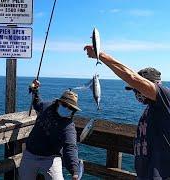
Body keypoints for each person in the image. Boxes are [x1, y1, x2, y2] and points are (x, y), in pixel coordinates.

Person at [84, 45, 170, 179]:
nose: (135, 93)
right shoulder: (149, 109)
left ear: (151, 85)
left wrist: (101, 55)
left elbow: (131, 77)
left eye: (137, 88)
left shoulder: (166, 98)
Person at [19, 79, 82, 180]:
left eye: (71, 108)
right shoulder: (46, 106)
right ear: (58, 102)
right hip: (30, 153)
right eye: (65, 105)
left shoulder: (68, 126)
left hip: (51, 157)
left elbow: (70, 147)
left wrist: (75, 170)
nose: (67, 109)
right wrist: (35, 90)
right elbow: (37, 103)